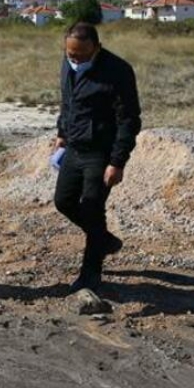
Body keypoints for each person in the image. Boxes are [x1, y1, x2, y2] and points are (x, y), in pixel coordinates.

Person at [53, 22, 141, 290]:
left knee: (92, 208)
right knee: (63, 201)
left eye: (81, 55)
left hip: (100, 153)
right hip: (74, 147)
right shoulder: (69, 63)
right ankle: (104, 240)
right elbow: (67, 101)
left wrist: (117, 161)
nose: (75, 60)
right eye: (71, 55)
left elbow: (129, 120)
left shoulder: (119, 71)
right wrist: (61, 133)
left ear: (97, 48)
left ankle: (90, 275)